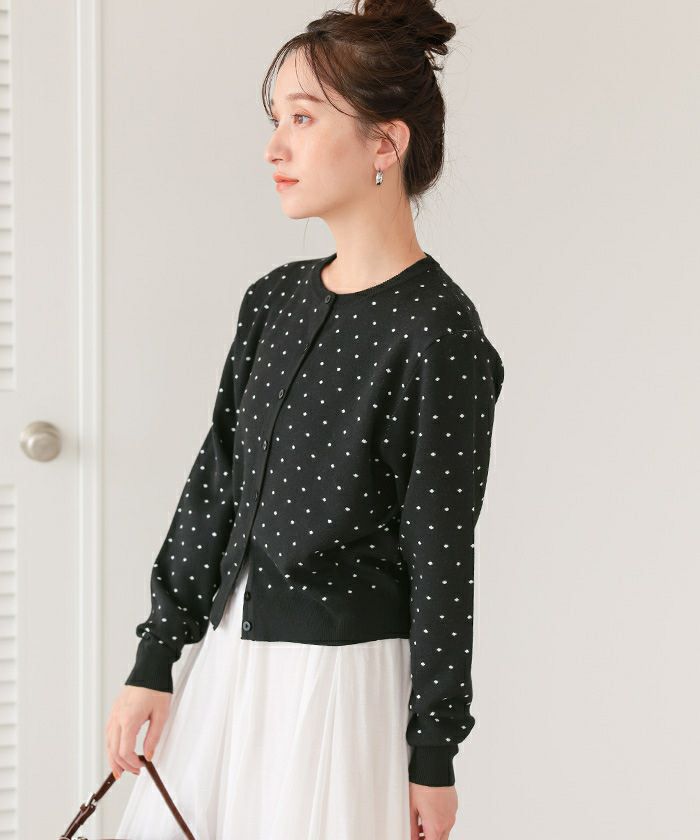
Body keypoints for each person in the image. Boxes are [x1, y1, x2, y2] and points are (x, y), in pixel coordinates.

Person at [106, 1, 505, 838]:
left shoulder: (438, 332)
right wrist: (157, 655)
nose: (273, 147)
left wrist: (433, 754)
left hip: (337, 691)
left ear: (384, 144)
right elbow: (216, 483)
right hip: (230, 667)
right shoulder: (273, 302)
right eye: (275, 119)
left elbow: (442, 552)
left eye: (302, 118)